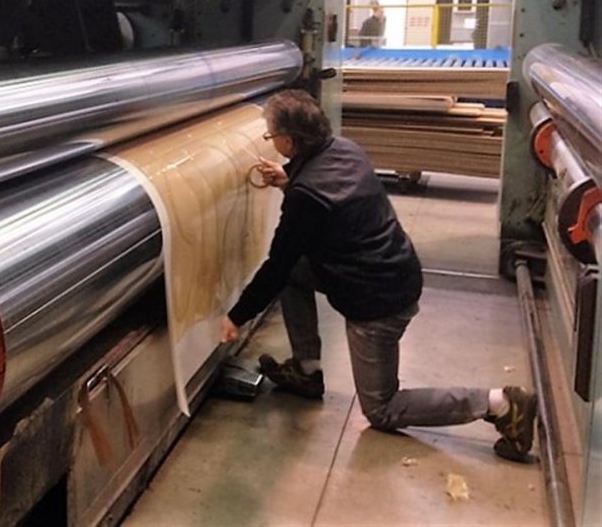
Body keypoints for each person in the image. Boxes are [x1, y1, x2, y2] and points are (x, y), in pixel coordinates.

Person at [220, 89, 537, 462]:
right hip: (396, 270)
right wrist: (288, 177)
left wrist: (236, 316)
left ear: (288, 141)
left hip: (377, 301)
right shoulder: (344, 149)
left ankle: (500, 404)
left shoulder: (307, 195)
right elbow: (326, 197)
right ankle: (307, 370)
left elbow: (277, 263)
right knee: (295, 273)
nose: (271, 141)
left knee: (382, 409)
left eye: (271, 136)